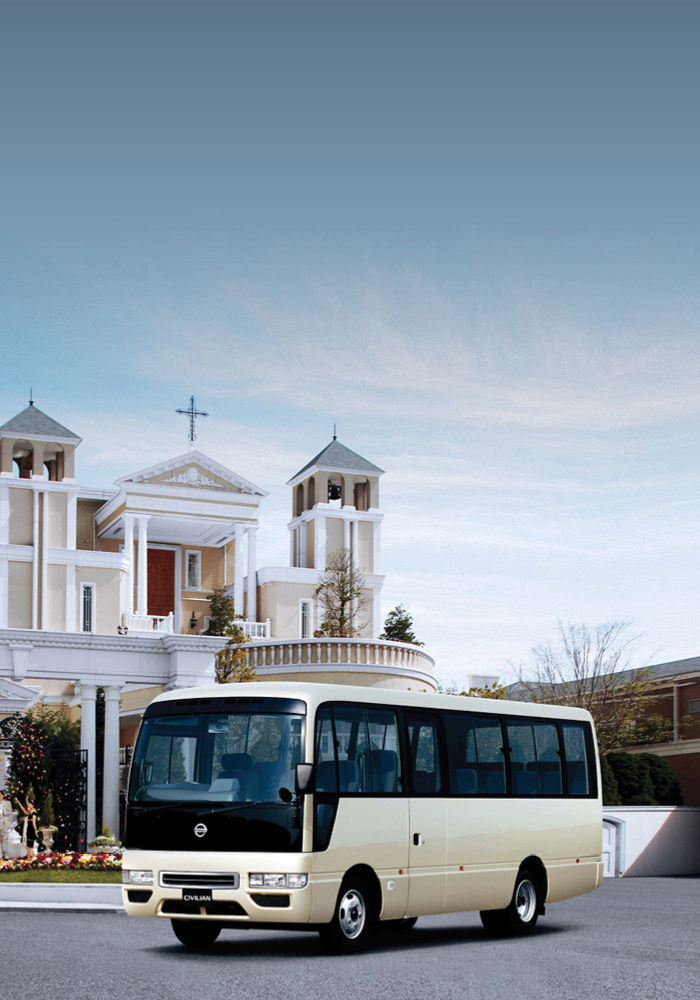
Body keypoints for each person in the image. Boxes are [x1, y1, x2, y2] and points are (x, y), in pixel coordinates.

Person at [17, 795, 39, 860]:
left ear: (32, 805)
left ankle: (32, 858)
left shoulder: (34, 813)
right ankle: (29, 858)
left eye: (30, 804)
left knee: (31, 845)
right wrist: (20, 803)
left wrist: (35, 832)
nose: (28, 805)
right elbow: (24, 810)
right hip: (28, 830)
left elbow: (34, 823)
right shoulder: (30, 812)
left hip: (31, 830)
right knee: (28, 845)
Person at [0, 790, 13, 859]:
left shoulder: (7, 803)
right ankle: (1, 854)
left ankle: (6, 854)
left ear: (2, 795)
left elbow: (10, 811)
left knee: (4, 839)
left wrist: (3, 812)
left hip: (4, 824)